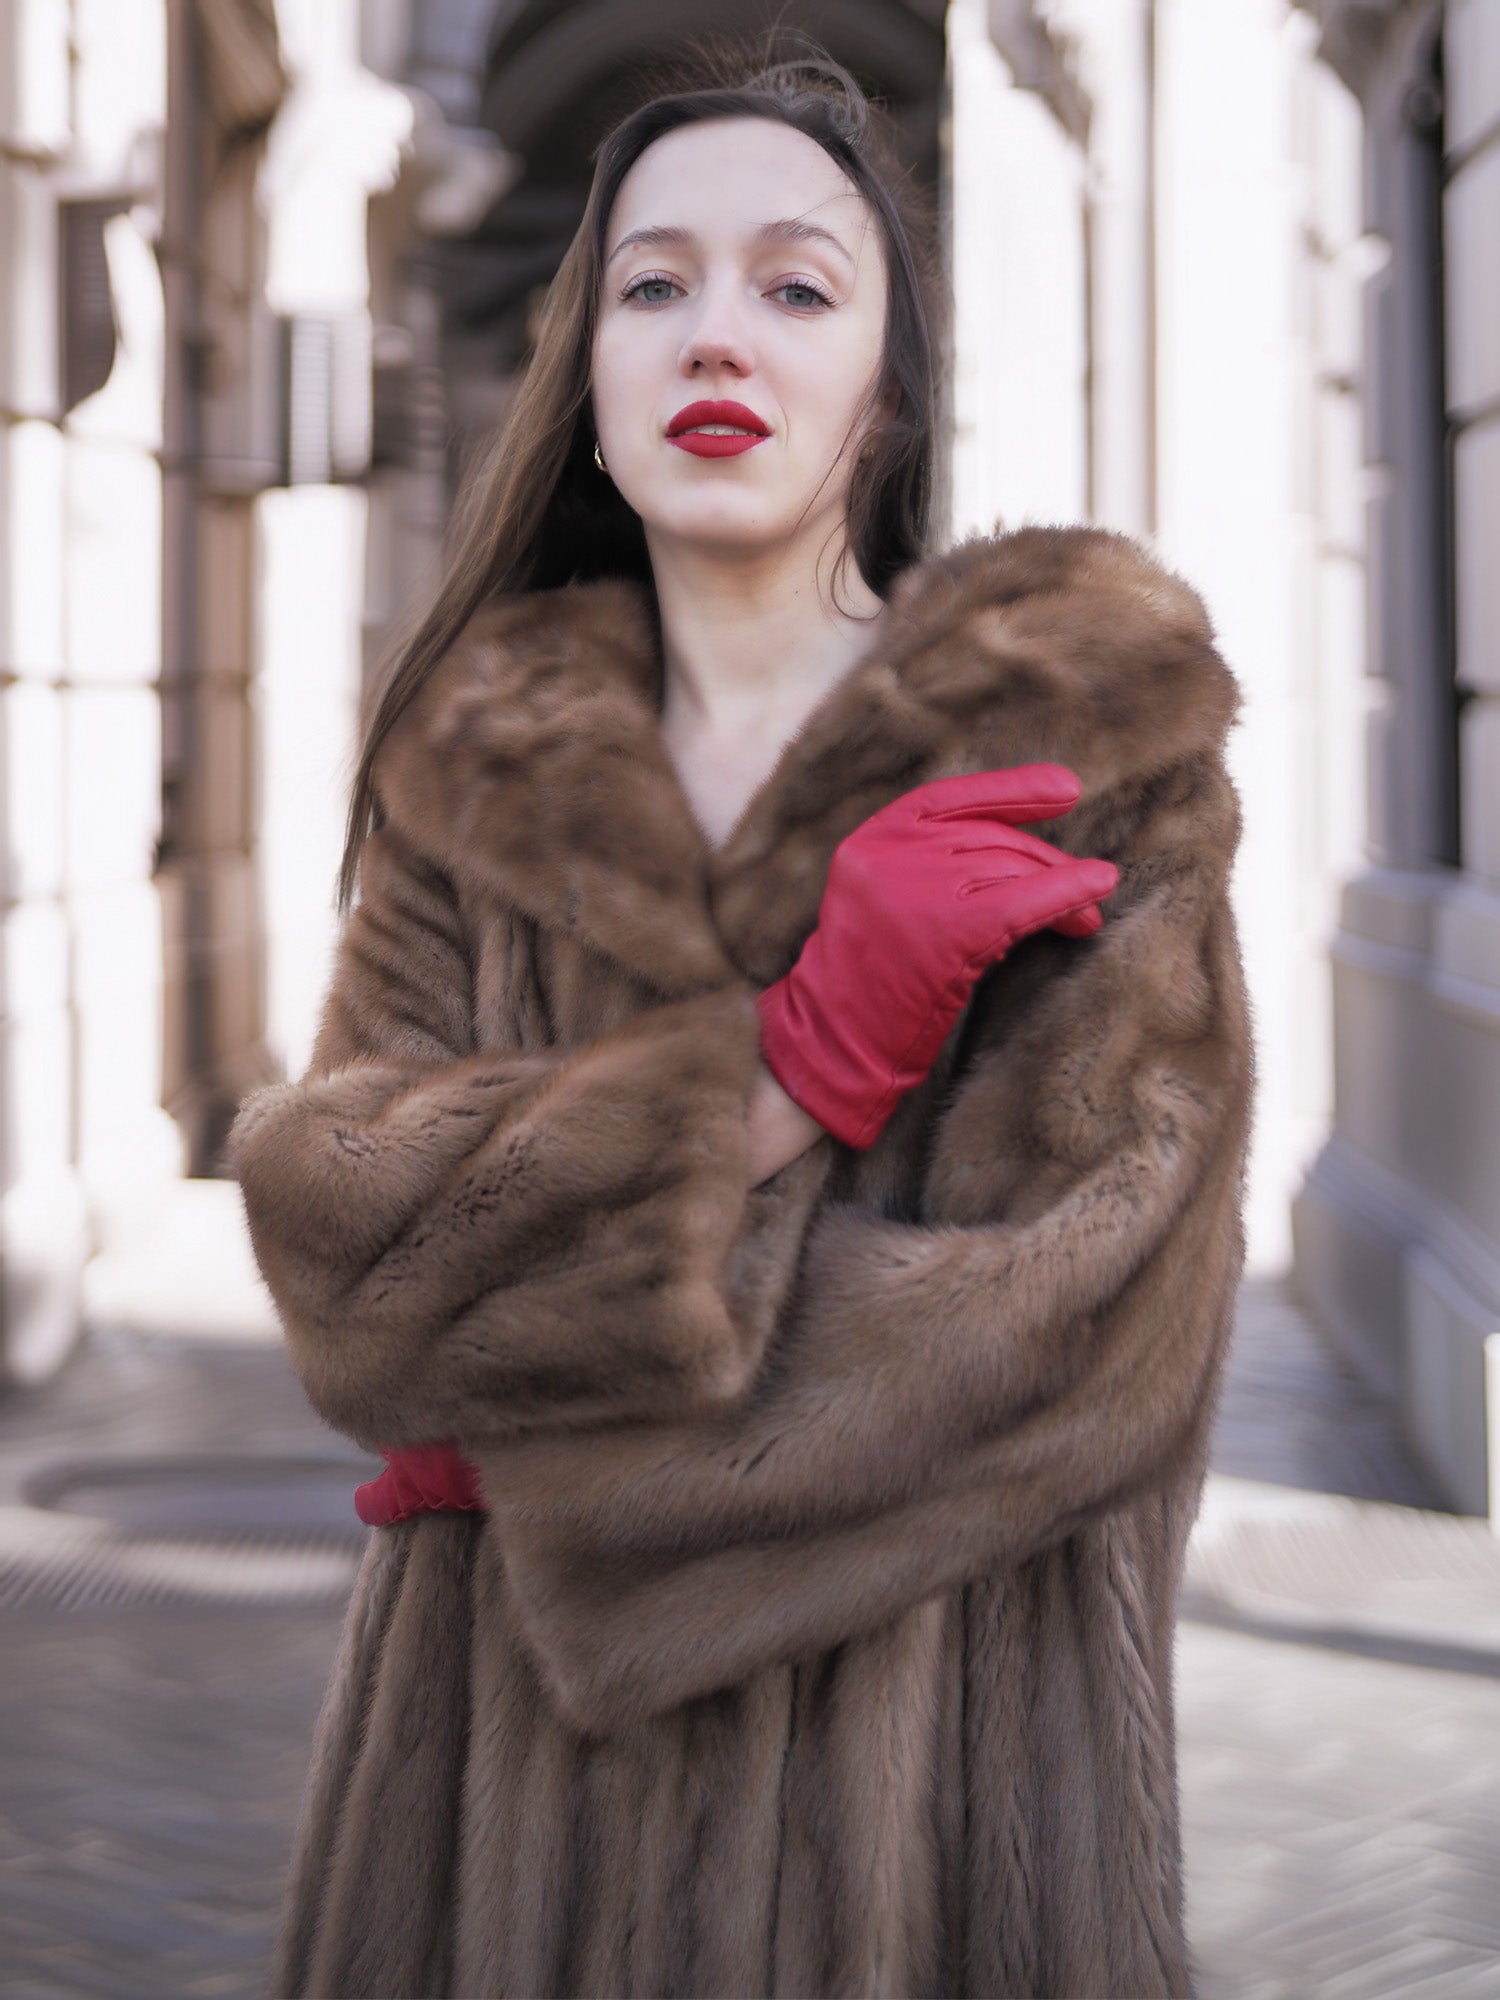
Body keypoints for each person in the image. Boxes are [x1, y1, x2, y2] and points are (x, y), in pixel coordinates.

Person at [233, 45, 1252, 2000]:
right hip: (488, 1841)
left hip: (945, 1837)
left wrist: (536, 1439)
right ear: (592, 388)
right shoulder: (478, 769)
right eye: (653, 283)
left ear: (885, 392)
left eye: (796, 285)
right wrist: (795, 1063)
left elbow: (1088, 1338)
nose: (719, 333)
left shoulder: (1090, 760)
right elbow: (347, 1260)